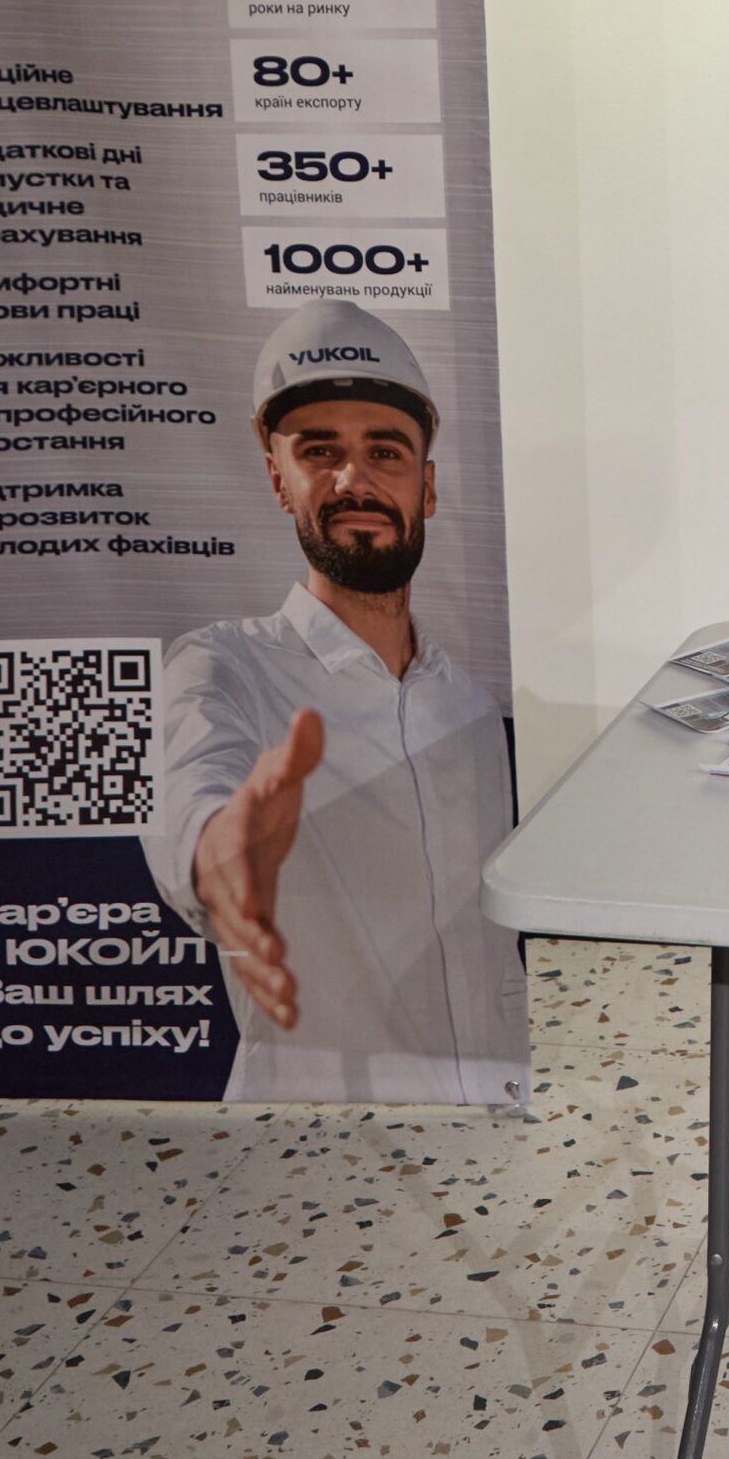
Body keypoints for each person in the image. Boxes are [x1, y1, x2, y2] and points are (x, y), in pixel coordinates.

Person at [143, 301, 528, 1104]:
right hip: (311, 1143)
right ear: (277, 481)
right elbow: (193, 802)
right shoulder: (220, 667)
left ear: (427, 488)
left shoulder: (472, 709)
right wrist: (226, 854)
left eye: (384, 451)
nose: (355, 479)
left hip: (493, 1118)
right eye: (320, 452)